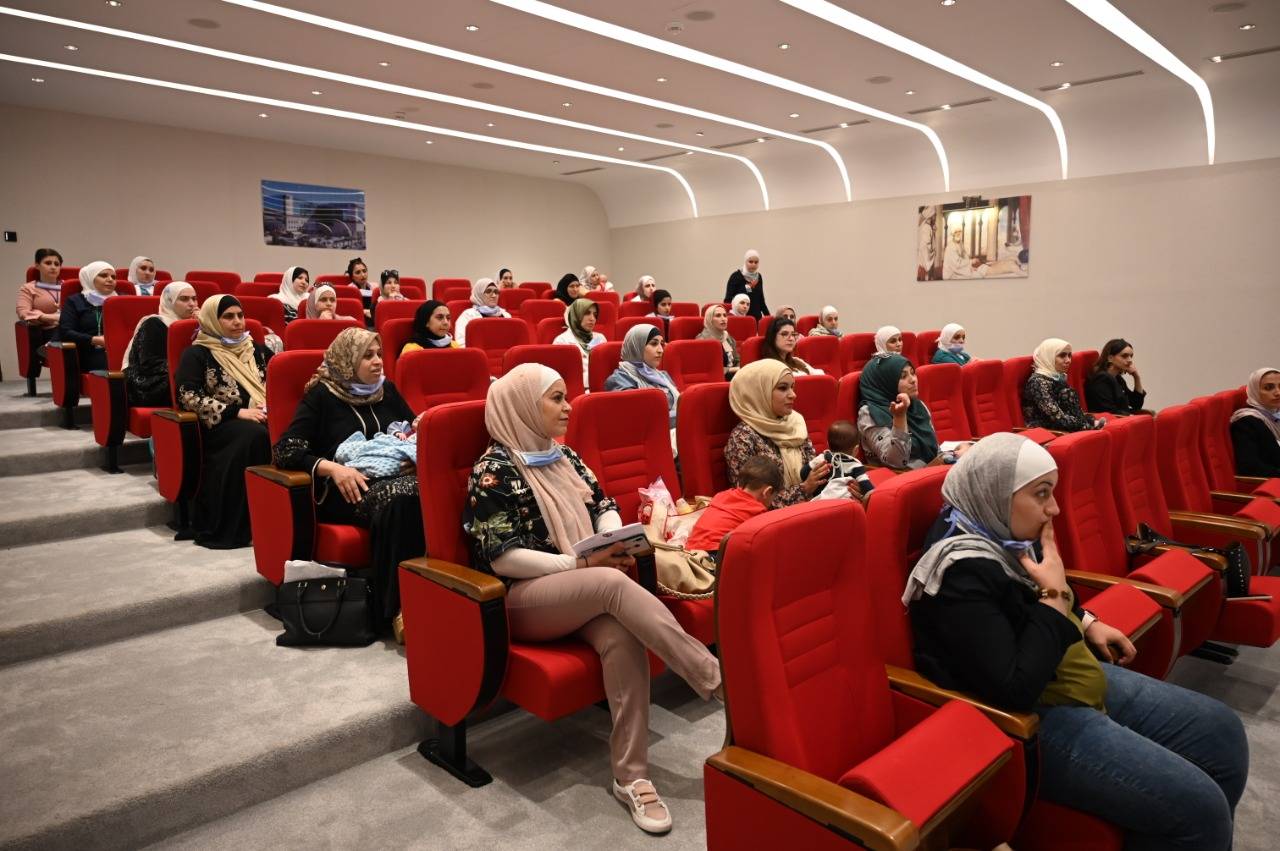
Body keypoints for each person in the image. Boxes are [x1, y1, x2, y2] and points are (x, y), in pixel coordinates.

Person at [904, 433, 1248, 851]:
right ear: (995, 492)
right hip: (1030, 716)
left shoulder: (1001, 529)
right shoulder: (958, 571)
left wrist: (1085, 619)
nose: (1055, 508)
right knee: (1200, 810)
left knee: (1222, 731)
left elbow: (1034, 589)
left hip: (1062, 668)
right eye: (1042, 494)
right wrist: (1054, 598)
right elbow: (1013, 688)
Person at [464, 364, 722, 835]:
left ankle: (632, 777)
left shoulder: (563, 455)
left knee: (622, 635)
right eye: (556, 398)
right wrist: (580, 564)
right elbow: (503, 557)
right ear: (523, 406)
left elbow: (603, 506)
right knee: (610, 584)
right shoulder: (493, 470)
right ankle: (714, 678)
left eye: (566, 397)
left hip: (581, 586)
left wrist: (610, 538)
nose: (568, 407)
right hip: (523, 598)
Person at [274, 328, 423, 641]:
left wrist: (412, 455)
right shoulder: (322, 395)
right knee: (402, 500)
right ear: (347, 360)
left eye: (379, 354)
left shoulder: (386, 390)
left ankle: (434, 597)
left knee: (427, 492)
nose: (378, 361)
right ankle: (398, 609)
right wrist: (333, 469)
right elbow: (286, 449)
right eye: (367, 356)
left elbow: (412, 431)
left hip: (392, 474)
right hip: (344, 487)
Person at [175, 296, 272, 549]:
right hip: (221, 425)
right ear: (212, 320)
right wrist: (236, 412)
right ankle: (238, 527)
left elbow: (281, 380)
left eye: (240, 315)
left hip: (264, 415)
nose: (237, 321)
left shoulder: (258, 350)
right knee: (255, 435)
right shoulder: (197, 354)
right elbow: (188, 396)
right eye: (228, 317)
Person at [724, 359, 825, 507]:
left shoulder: (795, 423)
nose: (793, 395)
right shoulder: (743, 437)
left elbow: (812, 472)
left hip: (810, 506)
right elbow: (750, 499)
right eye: (783, 388)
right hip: (773, 518)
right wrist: (804, 489)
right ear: (759, 393)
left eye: (792, 387)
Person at [858, 354, 954, 470]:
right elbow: (896, 461)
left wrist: (953, 455)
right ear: (885, 382)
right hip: (900, 477)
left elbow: (935, 450)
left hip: (932, 472)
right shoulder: (870, 413)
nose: (913, 380)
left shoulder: (917, 405)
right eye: (903, 376)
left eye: (913, 373)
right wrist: (899, 417)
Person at [123, 281, 199, 407]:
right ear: (170, 301)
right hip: (150, 382)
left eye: (194, 299)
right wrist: (189, 369)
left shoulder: (198, 325)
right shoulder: (155, 323)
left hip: (182, 375)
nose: (192, 304)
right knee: (191, 381)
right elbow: (149, 364)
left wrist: (205, 325)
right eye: (184, 299)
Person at [685, 455, 781, 554]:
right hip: (713, 554)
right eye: (773, 498)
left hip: (689, 550)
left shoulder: (721, 495)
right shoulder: (758, 511)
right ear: (767, 492)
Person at [604, 324, 679, 429]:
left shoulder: (663, 376)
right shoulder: (618, 381)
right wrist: (683, 415)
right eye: (654, 344)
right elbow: (641, 420)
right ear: (636, 346)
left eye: (662, 344)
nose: (661, 350)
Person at [1023, 339, 1102, 432]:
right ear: (1049, 357)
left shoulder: (1057, 377)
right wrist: (1085, 426)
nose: (1068, 360)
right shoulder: (1037, 382)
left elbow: (1073, 411)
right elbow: (1056, 416)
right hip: (1048, 431)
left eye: (1069, 355)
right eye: (1062, 355)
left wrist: (1088, 422)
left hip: (1065, 428)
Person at [56, 261, 116, 372]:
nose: (110, 279)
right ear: (90, 278)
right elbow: (65, 332)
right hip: (87, 350)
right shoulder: (75, 301)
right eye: (103, 275)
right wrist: (94, 340)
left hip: (118, 349)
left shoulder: (120, 300)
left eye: (113, 277)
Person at [801, 419, 874, 502]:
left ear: (828, 444)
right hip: (846, 500)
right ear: (856, 449)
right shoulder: (856, 465)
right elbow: (867, 487)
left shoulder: (823, 458)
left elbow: (803, 472)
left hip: (822, 500)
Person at [1230, 367, 1280, 477]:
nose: (1278, 392)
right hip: (1269, 480)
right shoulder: (1246, 422)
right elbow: (1250, 468)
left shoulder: (1276, 412)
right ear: (1255, 391)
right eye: (1269, 388)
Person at [553, 298, 606, 388]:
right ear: (576, 315)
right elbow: (562, 378)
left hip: (602, 388)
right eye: (587, 313)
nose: (592, 319)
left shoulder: (600, 338)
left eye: (595, 314)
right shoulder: (562, 341)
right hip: (577, 390)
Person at [1085, 338, 1146, 416]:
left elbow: (1136, 404)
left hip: (1122, 419)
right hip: (1109, 421)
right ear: (1110, 358)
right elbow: (1109, 411)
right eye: (1124, 356)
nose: (1130, 360)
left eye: (1131, 356)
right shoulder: (1101, 379)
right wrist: (1131, 417)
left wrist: (1136, 377)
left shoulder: (1118, 378)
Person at [16, 248, 64, 344]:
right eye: (48, 263)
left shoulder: (68, 285)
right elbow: (23, 312)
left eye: (56, 264)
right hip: (46, 332)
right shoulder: (28, 288)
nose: (53, 267)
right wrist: (49, 317)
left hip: (70, 328)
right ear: (37, 265)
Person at [455, 278, 510, 346]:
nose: (494, 295)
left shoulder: (506, 315)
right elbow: (461, 344)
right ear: (479, 294)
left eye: (496, 292)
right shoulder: (468, 316)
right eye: (488, 291)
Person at [696, 304, 740, 379]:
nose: (723, 319)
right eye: (718, 316)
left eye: (725, 315)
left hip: (734, 376)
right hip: (715, 379)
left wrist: (741, 368)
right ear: (710, 319)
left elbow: (737, 359)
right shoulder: (702, 340)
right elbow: (707, 368)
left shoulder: (727, 336)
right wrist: (732, 369)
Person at [723, 249, 768, 318]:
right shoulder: (736, 276)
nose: (753, 264)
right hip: (740, 317)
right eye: (750, 262)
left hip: (756, 318)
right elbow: (728, 300)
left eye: (756, 262)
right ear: (745, 261)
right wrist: (729, 317)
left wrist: (769, 318)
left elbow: (761, 301)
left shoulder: (759, 277)